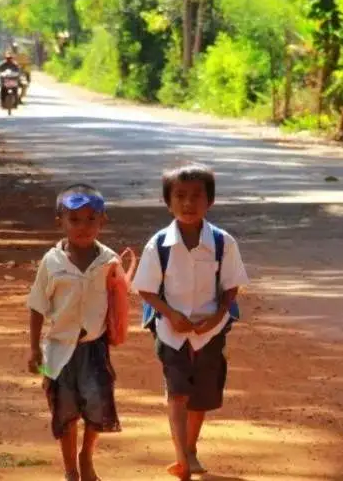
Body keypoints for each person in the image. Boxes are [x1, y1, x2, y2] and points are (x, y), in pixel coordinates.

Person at [133, 164, 249, 481]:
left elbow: (231, 288)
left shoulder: (224, 243)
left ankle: (191, 448)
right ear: (168, 202)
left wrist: (215, 316)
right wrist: (170, 314)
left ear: (209, 201)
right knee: (178, 393)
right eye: (180, 196)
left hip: (211, 331)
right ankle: (181, 457)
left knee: (201, 397)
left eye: (196, 196)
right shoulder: (158, 245)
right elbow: (145, 289)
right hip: (171, 332)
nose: (188, 203)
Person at [27, 183, 122, 481]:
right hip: (58, 350)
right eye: (75, 220)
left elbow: (118, 299)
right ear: (61, 222)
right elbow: (37, 305)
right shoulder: (51, 262)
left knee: (98, 406)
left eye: (91, 219)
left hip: (95, 347)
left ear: (103, 220)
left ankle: (86, 456)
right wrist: (33, 349)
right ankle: (71, 469)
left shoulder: (109, 261)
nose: (83, 227)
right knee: (65, 411)